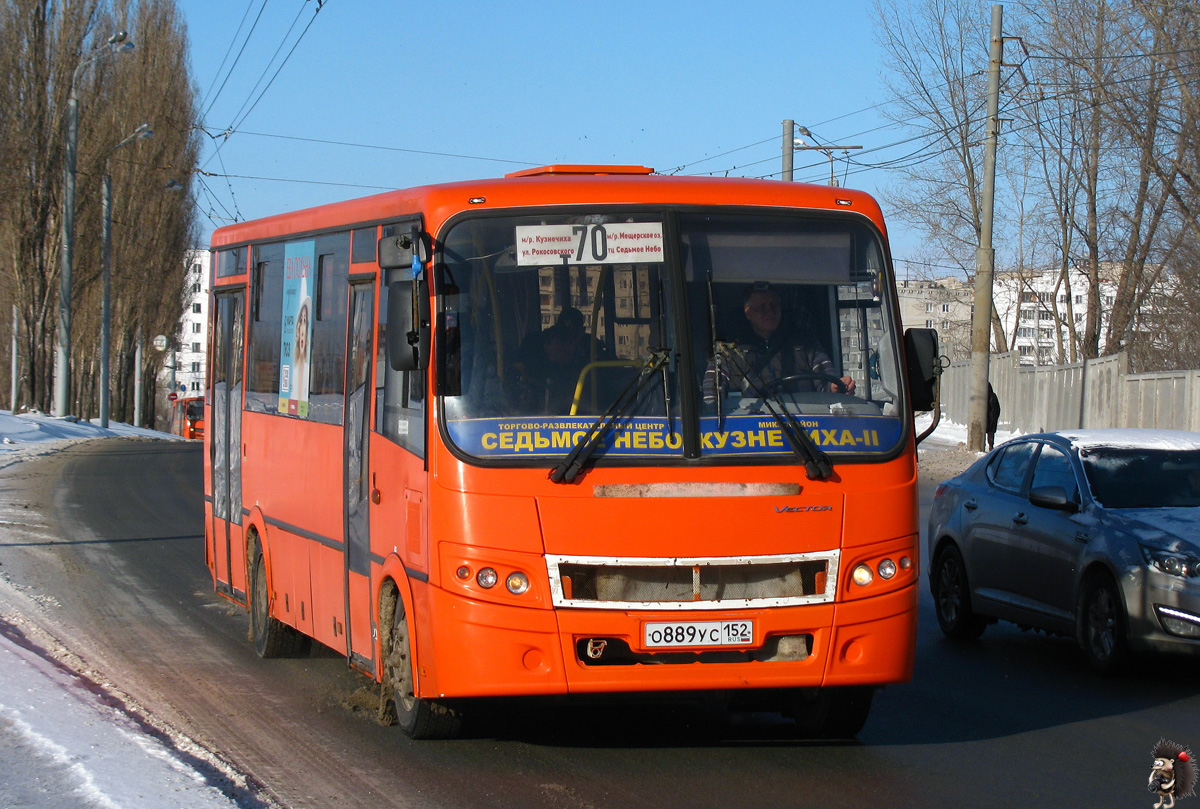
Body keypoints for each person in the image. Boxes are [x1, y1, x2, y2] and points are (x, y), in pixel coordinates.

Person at [703, 282, 854, 404]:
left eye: (774, 306)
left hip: (804, 429)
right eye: (762, 308)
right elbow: (711, 400)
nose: (770, 312)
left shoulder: (806, 345)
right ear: (748, 312)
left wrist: (836, 387)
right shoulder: (727, 353)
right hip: (749, 434)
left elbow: (826, 383)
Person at [986, 383, 1001, 450]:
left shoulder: (992, 396)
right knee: (990, 433)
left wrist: (993, 417)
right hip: (989, 418)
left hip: (991, 418)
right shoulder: (986, 396)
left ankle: (990, 447)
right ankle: (990, 447)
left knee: (990, 433)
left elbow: (996, 408)